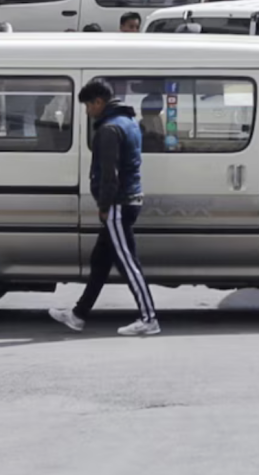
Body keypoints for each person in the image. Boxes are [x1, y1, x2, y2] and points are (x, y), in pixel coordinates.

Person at [49, 78, 159, 337]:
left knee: (128, 263)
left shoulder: (109, 129)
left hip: (118, 204)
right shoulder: (129, 122)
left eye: (88, 106)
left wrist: (104, 205)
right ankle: (78, 315)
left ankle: (149, 318)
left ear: (98, 102)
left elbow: (110, 173)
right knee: (100, 261)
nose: (88, 112)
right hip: (127, 200)